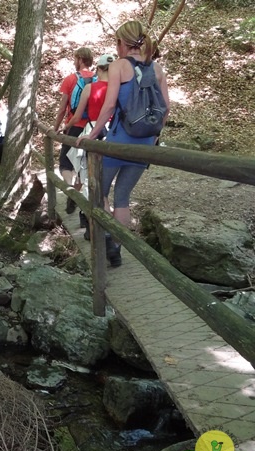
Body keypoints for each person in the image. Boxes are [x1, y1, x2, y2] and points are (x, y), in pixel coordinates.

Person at [77, 21, 170, 267]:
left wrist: (92, 135)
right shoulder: (158, 68)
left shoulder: (118, 66)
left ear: (122, 43)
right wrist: (154, 138)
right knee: (123, 197)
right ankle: (116, 247)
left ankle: (105, 236)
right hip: (145, 144)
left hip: (119, 140)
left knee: (101, 192)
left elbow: (109, 106)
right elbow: (166, 109)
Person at [65, 53, 115, 238]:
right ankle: (110, 238)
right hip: (113, 135)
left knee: (87, 177)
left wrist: (66, 127)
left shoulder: (90, 88)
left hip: (93, 131)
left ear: (98, 69)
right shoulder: (117, 89)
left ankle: (88, 220)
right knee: (105, 182)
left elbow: (77, 116)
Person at [53, 47, 95, 214]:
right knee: (83, 165)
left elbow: (63, 108)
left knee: (65, 163)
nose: (73, 61)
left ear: (79, 59)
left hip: (74, 127)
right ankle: (76, 194)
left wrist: (56, 128)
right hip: (92, 128)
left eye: (75, 58)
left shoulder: (70, 79)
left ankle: (70, 190)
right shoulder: (98, 78)